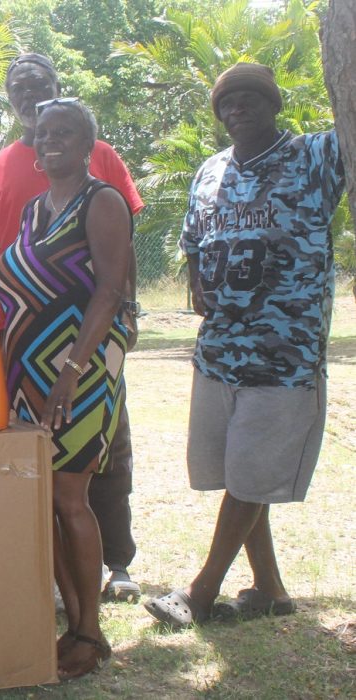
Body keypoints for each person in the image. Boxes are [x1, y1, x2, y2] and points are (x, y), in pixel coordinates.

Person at [144, 63, 344, 628]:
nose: (238, 108)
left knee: (252, 472)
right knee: (240, 473)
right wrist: (199, 287)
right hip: (219, 351)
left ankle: (200, 594)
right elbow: (193, 241)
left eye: (251, 97)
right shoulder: (209, 171)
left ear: (274, 104)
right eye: (227, 101)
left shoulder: (317, 157)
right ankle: (271, 590)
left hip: (284, 353)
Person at [0, 53, 145, 601]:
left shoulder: (102, 179)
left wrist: (122, 319)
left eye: (62, 130)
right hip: (25, 356)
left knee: (95, 463)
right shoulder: (11, 182)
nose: (49, 138)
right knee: (43, 482)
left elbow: (116, 264)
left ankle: (111, 576)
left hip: (80, 356)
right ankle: (64, 594)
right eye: (19, 89)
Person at [0, 98, 133, 680]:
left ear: (86, 144)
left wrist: (72, 371)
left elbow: (109, 291)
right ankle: (73, 623)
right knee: (40, 499)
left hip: (79, 370)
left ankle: (90, 632)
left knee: (70, 498)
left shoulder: (101, 201)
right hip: (28, 374)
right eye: (42, 133)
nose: (51, 141)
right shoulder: (32, 209)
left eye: (65, 133)